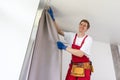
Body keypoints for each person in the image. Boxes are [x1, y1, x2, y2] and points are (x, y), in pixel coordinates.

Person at [48, 7, 93, 80]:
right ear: (79, 25)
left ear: (87, 29)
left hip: (84, 68)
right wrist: (52, 20)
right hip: (73, 66)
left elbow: (80, 53)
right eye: (81, 24)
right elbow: (59, 31)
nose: (82, 26)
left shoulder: (88, 39)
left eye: (84, 26)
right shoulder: (72, 36)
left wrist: (65, 47)